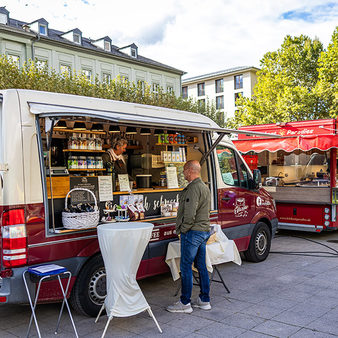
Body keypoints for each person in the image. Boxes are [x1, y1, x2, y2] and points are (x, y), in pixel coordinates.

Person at [166, 160, 211, 313]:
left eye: (184, 170)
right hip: (203, 231)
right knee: (201, 266)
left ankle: (185, 303)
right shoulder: (204, 187)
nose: (183, 173)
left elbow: (190, 214)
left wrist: (183, 230)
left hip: (193, 232)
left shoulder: (193, 188)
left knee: (186, 267)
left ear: (190, 170)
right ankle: (204, 300)